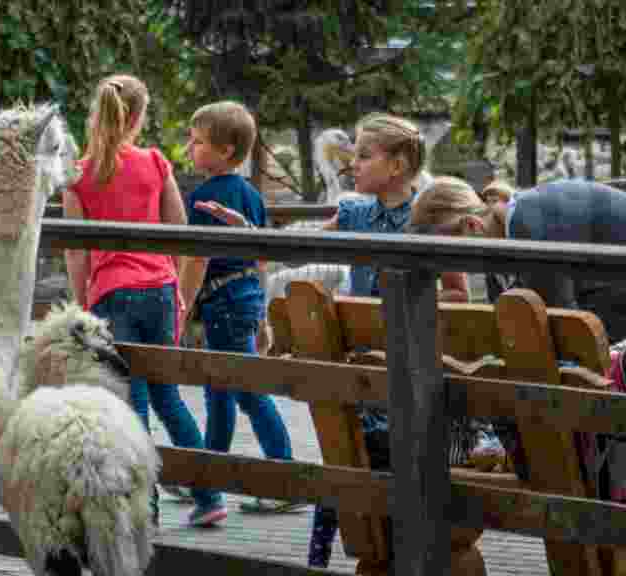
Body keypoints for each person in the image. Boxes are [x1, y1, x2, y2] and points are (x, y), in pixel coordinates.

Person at [195, 112, 474, 570]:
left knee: (382, 471)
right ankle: (335, 555)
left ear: (398, 165)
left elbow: (458, 290)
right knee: (345, 458)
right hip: (361, 374)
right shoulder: (357, 212)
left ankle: (395, 551)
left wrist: (411, 312)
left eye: (365, 156)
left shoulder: (427, 216)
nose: (354, 165)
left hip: (408, 375)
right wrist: (249, 232)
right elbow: (297, 249)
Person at [405, 175, 626, 436]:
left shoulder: (532, 230)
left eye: (451, 257)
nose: (452, 270)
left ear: (471, 225)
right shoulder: (513, 228)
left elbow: (560, 333)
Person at [63, 74, 227, 527]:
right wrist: (176, 291)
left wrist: (83, 303)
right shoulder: (156, 163)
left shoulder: (78, 174)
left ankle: (144, 509)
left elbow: (76, 249)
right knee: (168, 397)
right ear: (137, 118)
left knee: (128, 403)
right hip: (158, 291)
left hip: (112, 295)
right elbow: (178, 231)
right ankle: (208, 494)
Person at [178, 100, 305, 516]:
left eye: (197, 142)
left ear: (226, 150)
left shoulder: (204, 199)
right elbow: (262, 256)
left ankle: (284, 478)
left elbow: (196, 261)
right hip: (247, 296)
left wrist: (180, 307)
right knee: (220, 392)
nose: (189, 149)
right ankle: (207, 481)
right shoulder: (251, 194)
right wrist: (264, 314)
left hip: (223, 303)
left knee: (245, 393)